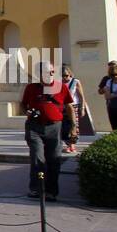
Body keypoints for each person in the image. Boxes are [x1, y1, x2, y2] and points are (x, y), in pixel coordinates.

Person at [21, 61, 73, 201]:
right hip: (34, 126)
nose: (50, 74)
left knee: (54, 159)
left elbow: (69, 106)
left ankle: (51, 191)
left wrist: (73, 126)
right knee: (38, 157)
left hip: (54, 126)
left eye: (52, 72)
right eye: (46, 72)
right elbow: (23, 104)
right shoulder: (31, 88)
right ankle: (36, 189)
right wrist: (28, 111)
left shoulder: (60, 87)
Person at [61, 67, 93, 152]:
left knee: (74, 126)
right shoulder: (59, 83)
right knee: (64, 127)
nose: (64, 78)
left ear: (70, 74)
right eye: (62, 76)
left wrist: (82, 108)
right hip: (62, 107)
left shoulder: (75, 82)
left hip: (73, 106)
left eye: (66, 75)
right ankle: (68, 144)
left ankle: (72, 145)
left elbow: (81, 96)